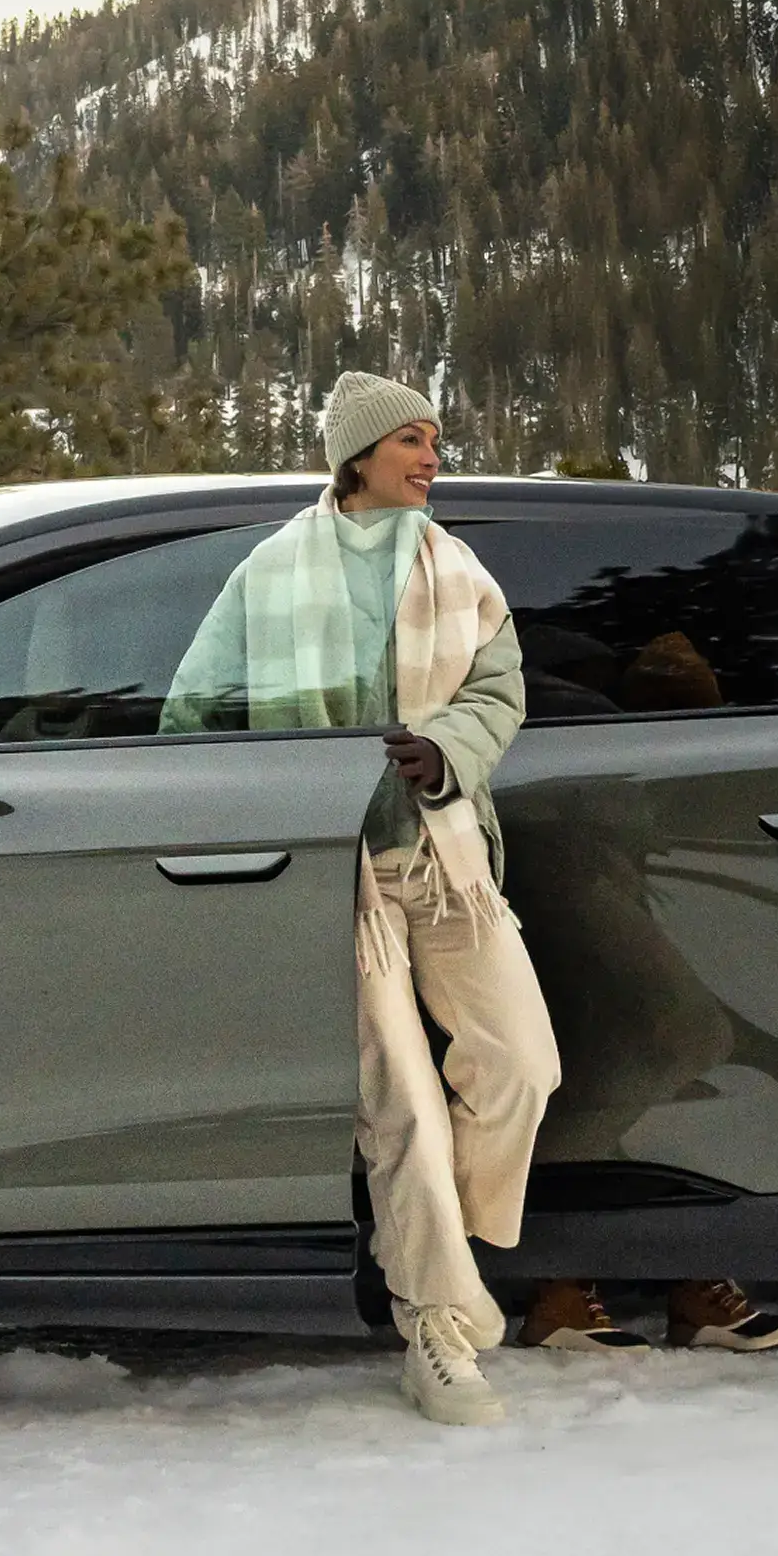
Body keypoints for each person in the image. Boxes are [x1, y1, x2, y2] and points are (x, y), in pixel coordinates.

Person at [166, 370, 552, 1423]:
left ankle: (445, 1257)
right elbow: (192, 711)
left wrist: (445, 752)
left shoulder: (455, 564)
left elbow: (500, 687)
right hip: (337, 881)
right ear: (360, 455)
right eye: (414, 440)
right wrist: (259, 810)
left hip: (446, 860)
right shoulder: (270, 572)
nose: (433, 456)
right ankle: (434, 1319)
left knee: (522, 1065)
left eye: (437, 437)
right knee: (405, 1114)